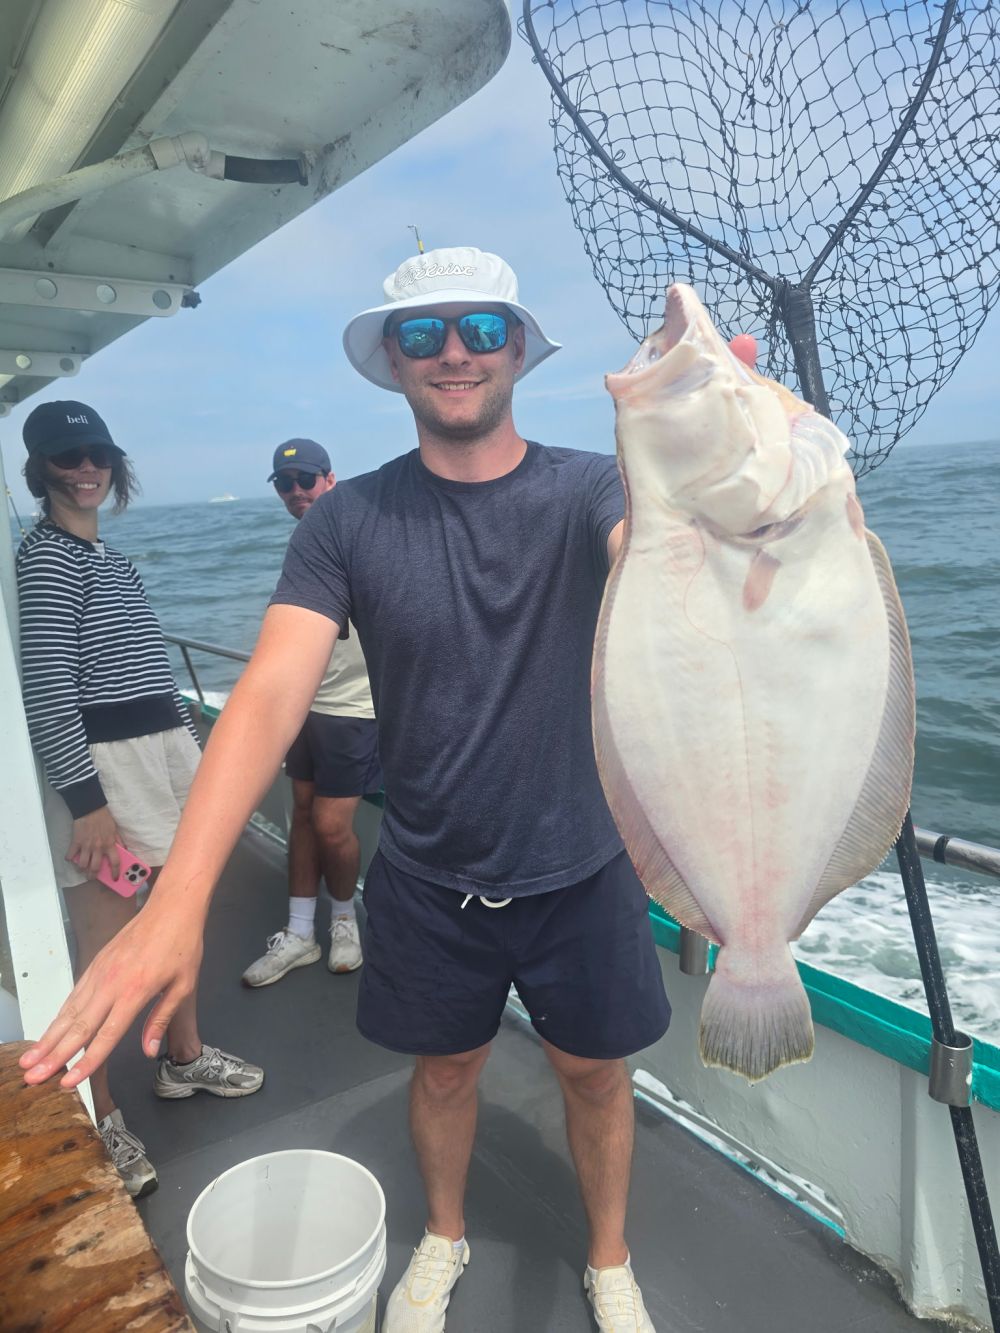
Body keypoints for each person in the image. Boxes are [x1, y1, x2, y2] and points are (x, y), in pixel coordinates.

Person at [19, 253, 754, 1327]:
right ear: (392, 364)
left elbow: (670, 565)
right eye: (421, 334)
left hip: (581, 866)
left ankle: (609, 1258)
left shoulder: (593, 488)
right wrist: (175, 908)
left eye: (476, 327)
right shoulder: (345, 521)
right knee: (445, 1074)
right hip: (427, 876)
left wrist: (726, 469)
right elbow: (270, 693)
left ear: (514, 346)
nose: (452, 350)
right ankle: (446, 1236)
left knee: (596, 1080)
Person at [15, 400, 263, 1199]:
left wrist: (195, 741)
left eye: (97, 455)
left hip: (161, 754)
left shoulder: (107, 559)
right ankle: (99, 1109)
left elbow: (148, 673)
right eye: (67, 458)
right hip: (107, 773)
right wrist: (86, 801)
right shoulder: (46, 559)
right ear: (40, 470)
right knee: (102, 941)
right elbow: (48, 691)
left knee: (178, 913)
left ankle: (183, 1061)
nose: (85, 468)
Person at [242, 438, 380, 986]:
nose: (296, 491)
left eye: (305, 479)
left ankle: (344, 921)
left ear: (329, 478)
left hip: (354, 707)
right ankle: (300, 932)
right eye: (285, 483)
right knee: (300, 812)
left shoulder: (361, 531)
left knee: (329, 822)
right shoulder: (303, 542)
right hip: (302, 703)